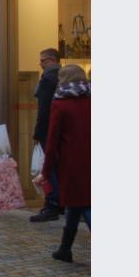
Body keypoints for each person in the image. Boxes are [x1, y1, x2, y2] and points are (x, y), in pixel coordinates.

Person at [40, 65, 90, 262]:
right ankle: (64, 248)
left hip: (72, 164)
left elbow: (52, 140)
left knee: (84, 205)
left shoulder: (61, 103)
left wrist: (46, 170)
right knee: (75, 206)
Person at [30, 48, 63, 222]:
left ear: (51, 60)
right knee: (61, 167)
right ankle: (63, 203)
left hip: (49, 131)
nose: (40, 63)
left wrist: (37, 133)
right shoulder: (65, 77)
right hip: (64, 131)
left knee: (49, 168)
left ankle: (52, 204)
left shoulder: (48, 78)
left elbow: (44, 110)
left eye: (42, 60)